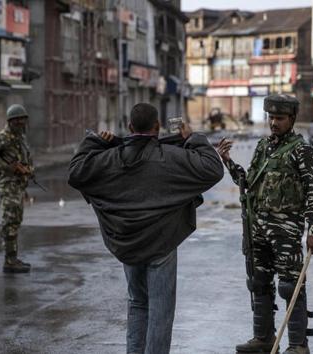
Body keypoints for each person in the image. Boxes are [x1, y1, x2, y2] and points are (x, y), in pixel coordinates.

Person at [68, 103, 223, 354]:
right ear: (158, 127)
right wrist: (193, 138)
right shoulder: (170, 157)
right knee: (160, 311)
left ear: (130, 127)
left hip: (128, 244)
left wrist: (93, 142)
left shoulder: (111, 158)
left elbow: (76, 172)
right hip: (161, 245)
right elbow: (212, 168)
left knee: (138, 304)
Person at [217, 94, 313, 354]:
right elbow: (248, 183)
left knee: (290, 284)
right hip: (258, 226)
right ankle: (263, 338)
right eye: (271, 117)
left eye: (280, 118)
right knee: (258, 281)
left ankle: (298, 345)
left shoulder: (302, 150)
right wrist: (228, 162)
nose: (274, 123)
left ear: (292, 119)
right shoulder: (264, 146)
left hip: (286, 228)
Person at [0, 104, 34, 274]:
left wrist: (28, 171)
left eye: (22, 119)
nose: (21, 122)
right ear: (10, 121)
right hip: (8, 186)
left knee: (16, 221)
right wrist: (8, 167)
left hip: (18, 186)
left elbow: (26, 159)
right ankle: (9, 261)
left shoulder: (21, 138)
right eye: (17, 120)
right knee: (9, 222)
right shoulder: (3, 138)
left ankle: (13, 258)